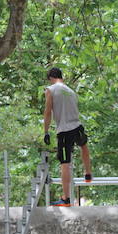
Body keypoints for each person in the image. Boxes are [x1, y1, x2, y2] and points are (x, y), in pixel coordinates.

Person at [43, 67, 92, 206]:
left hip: (64, 131)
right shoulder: (71, 91)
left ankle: (66, 198)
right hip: (77, 126)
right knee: (84, 146)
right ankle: (88, 173)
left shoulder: (51, 90)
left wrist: (46, 131)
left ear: (51, 78)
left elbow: (48, 112)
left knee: (65, 163)